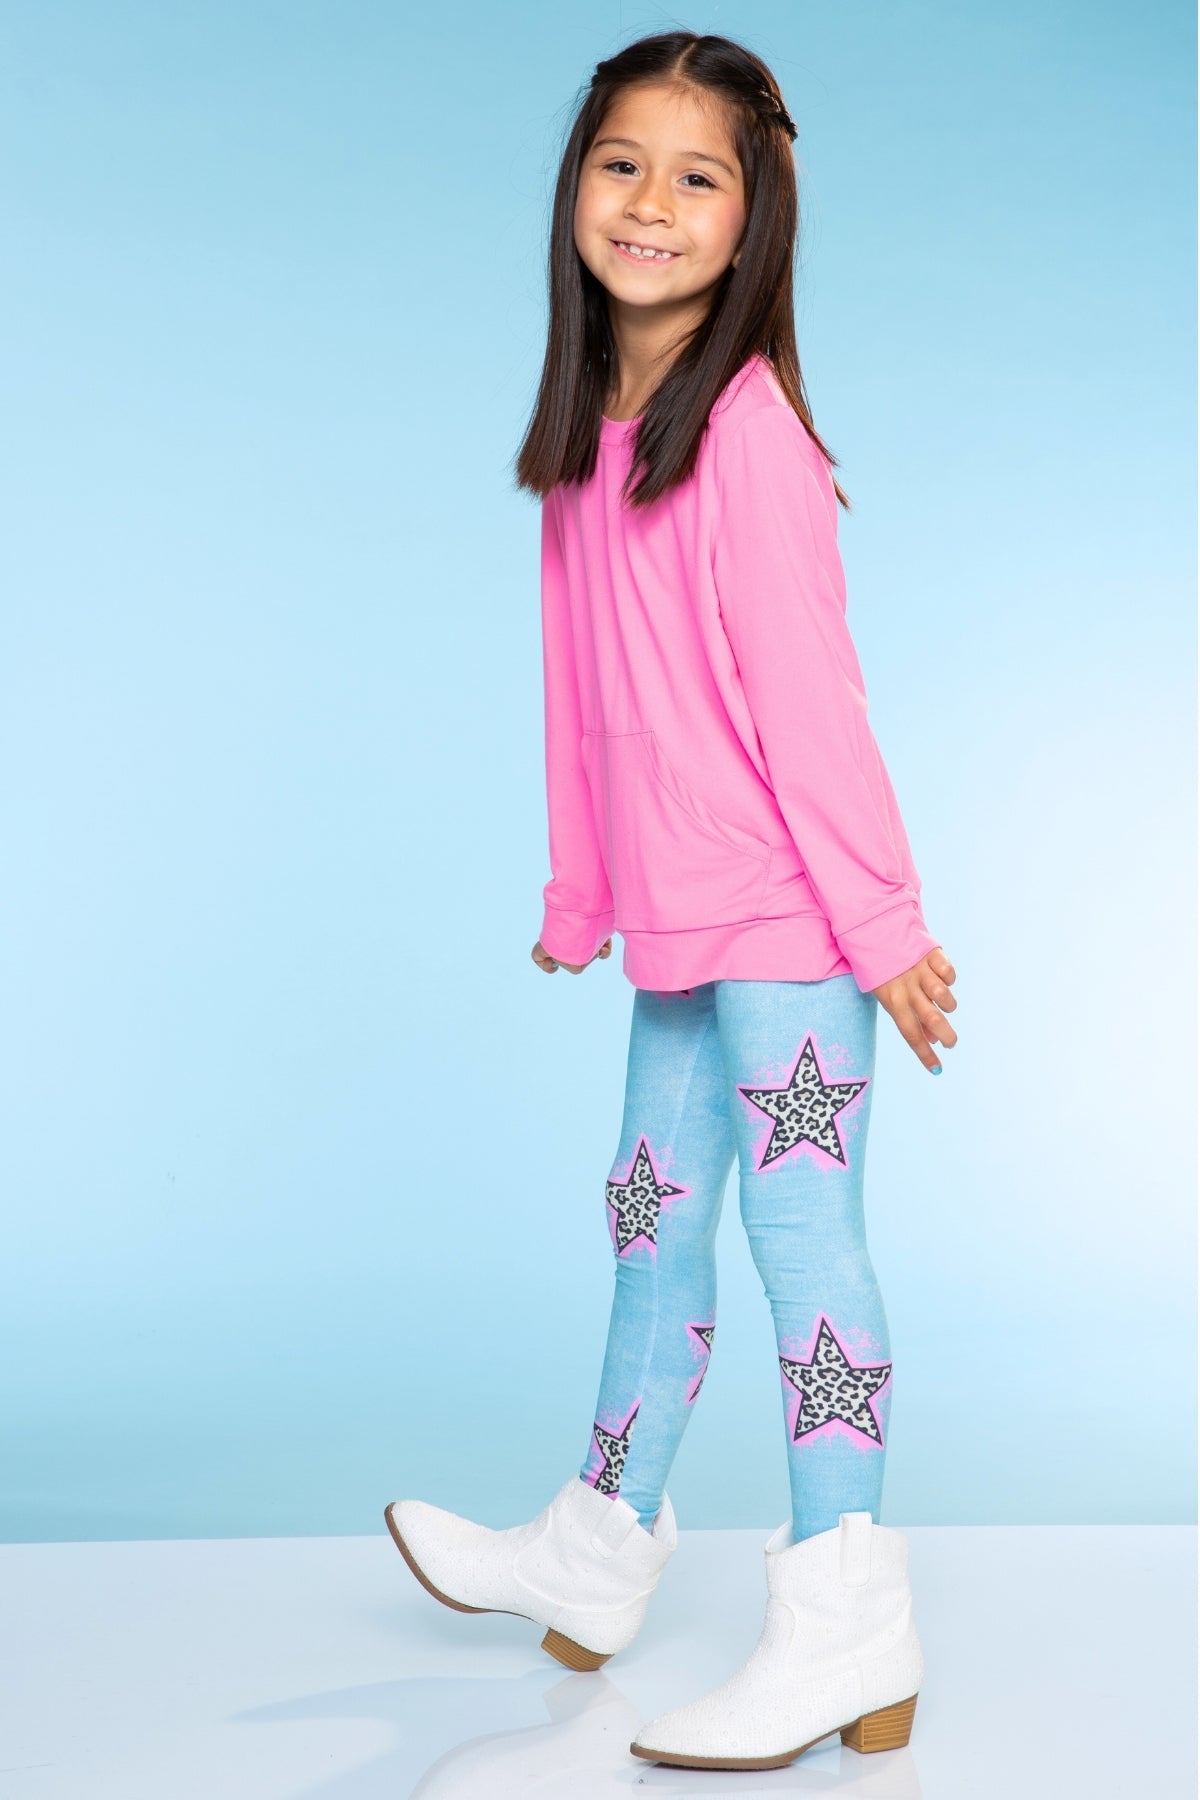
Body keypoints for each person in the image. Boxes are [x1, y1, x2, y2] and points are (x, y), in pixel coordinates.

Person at [385, 28, 958, 1774]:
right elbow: (580, 692)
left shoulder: (752, 441)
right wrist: (583, 889)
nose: (649, 202)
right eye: (622, 163)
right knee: (650, 1220)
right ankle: (600, 1541)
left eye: (698, 176)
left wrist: (887, 928)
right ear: (574, 185)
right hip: (683, 919)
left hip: (791, 920)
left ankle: (846, 1617)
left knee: (801, 1242)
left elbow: (814, 704)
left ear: (755, 214)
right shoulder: (590, 440)